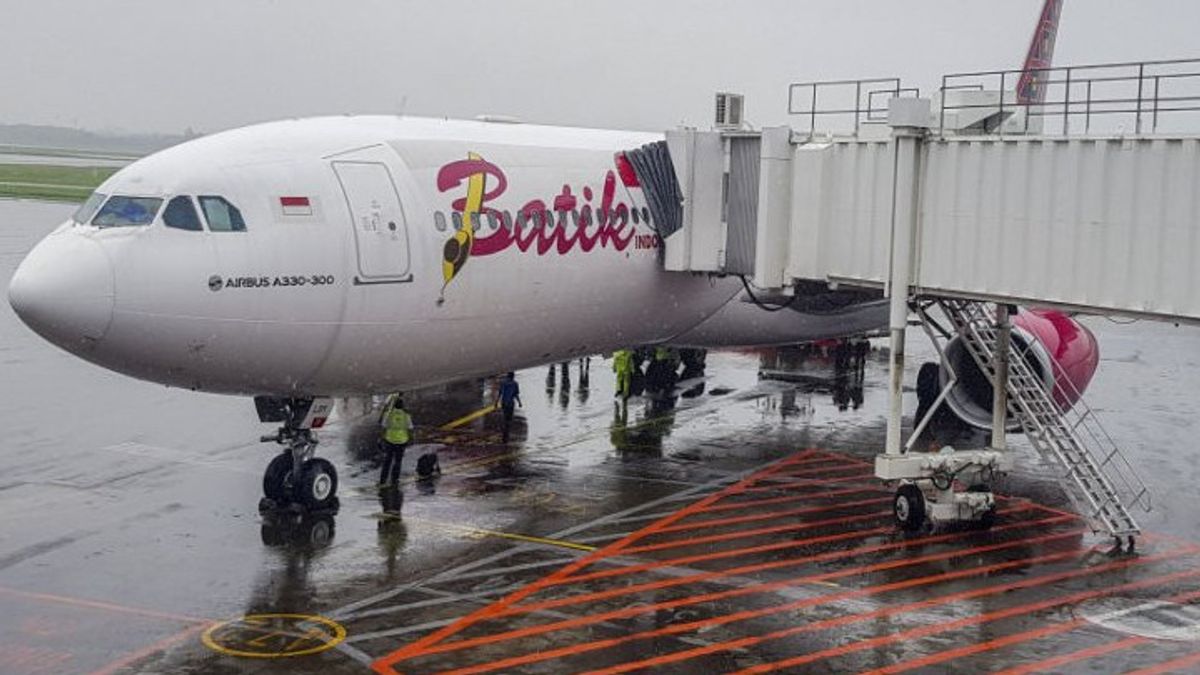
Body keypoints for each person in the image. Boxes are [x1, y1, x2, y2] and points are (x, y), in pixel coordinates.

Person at [379, 395, 413, 486]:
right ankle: (395, 479)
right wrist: (411, 439)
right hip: (402, 441)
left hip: (389, 440)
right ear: (402, 406)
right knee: (398, 461)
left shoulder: (388, 414)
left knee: (387, 461)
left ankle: (383, 480)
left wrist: (381, 438)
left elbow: (383, 427)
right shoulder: (406, 416)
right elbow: (410, 429)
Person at [497, 372, 522, 443]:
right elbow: (516, 394)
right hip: (511, 403)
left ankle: (505, 430)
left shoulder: (503, 383)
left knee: (505, 416)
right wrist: (520, 403)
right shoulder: (515, 384)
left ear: (507, 376)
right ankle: (507, 431)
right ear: (513, 377)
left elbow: (500, 393)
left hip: (504, 402)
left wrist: (496, 402)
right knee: (509, 418)